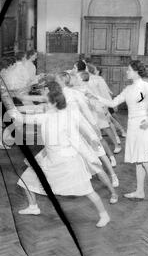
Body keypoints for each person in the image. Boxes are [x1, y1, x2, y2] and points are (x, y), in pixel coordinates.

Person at [13, 82, 111, 228]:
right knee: (26, 179)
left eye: (47, 100)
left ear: (53, 103)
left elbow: (77, 142)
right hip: (50, 161)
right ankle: (33, 206)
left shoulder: (65, 118)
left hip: (68, 163)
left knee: (87, 190)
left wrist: (92, 159)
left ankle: (105, 215)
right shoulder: (46, 117)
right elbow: (22, 119)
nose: (45, 101)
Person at [89, 60, 148, 207]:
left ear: (136, 71)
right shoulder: (128, 89)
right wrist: (95, 97)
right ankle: (139, 191)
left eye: (129, 70)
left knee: (146, 161)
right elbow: (113, 103)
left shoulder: (146, 86)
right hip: (132, 126)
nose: (126, 72)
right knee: (138, 160)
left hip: (144, 126)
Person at [57, 72, 119, 192]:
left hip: (83, 125)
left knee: (99, 150)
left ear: (61, 81)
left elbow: (86, 110)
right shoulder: (59, 94)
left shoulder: (74, 93)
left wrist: (95, 126)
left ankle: (113, 175)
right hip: (69, 128)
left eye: (57, 80)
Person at [94, 66, 127, 140]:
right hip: (103, 101)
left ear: (98, 72)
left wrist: (110, 101)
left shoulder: (99, 79)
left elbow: (106, 91)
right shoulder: (95, 79)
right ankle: (120, 132)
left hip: (105, 101)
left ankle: (120, 133)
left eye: (95, 70)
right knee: (111, 118)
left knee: (111, 118)